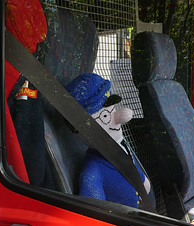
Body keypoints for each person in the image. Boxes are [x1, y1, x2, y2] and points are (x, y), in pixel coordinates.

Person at [65, 73, 155, 208]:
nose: (119, 117)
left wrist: (141, 180)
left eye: (112, 111)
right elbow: (96, 214)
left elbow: (129, 162)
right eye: (106, 116)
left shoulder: (120, 146)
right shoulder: (93, 172)